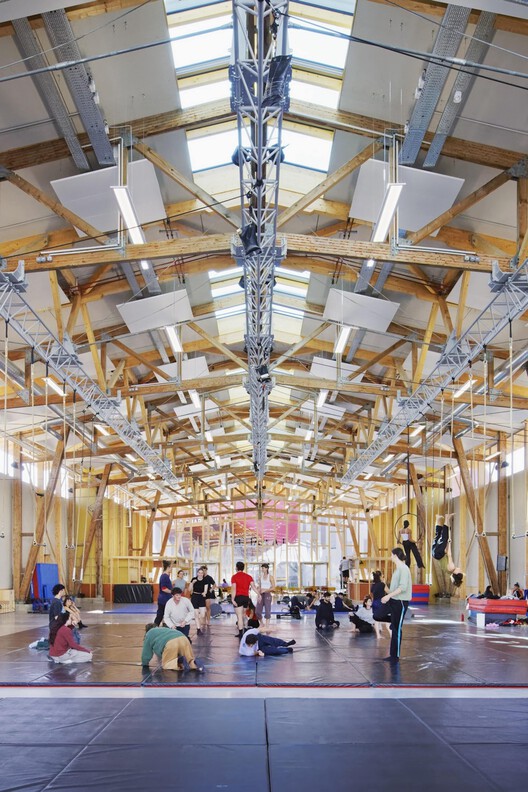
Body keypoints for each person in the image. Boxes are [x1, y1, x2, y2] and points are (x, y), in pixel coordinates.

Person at [373, 547, 412, 663]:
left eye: (391, 555)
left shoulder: (404, 569)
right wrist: (386, 589)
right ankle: (396, 620)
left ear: (395, 555)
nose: (390, 557)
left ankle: (395, 656)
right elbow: (394, 589)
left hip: (400, 602)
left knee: (396, 629)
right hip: (394, 600)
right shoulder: (397, 570)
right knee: (377, 615)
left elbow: (403, 588)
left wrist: (388, 596)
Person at [231, 561, 258, 639]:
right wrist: (258, 594)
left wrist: (232, 599)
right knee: (244, 615)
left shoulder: (234, 577)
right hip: (246, 598)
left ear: (236, 567)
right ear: (243, 568)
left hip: (238, 597)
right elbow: (253, 587)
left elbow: (234, 589)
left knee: (239, 617)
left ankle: (241, 634)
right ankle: (246, 630)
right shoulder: (248, 576)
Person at [189, 567, 209, 634]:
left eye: (202, 573)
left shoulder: (205, 580)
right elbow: (189, 589)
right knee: (196, 614)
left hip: (201, 597)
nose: (200, 574)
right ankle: (198, 629)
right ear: (197, 573)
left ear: (203, 574)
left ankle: (199, 625)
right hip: (194, 597)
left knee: (203, 614)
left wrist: (204, 593)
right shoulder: (194, 579)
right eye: (199, 573)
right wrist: (192, 583)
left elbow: (205, 590)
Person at [256, 563, 275, 630]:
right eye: (262, 568)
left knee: (267, 610)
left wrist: (265, 590)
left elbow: (273, 588)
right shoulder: (260, 577)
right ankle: (261, 623)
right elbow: (259, 587)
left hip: (267, 595)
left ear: (266, 568)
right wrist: (258, 594)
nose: (262, 569)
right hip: (261, 595)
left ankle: (267, 626)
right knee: (257, 611)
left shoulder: (270, 577)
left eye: (263, 568)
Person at [154, 560, 173, 626]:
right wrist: (172, 592)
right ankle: (154, 628)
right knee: (160, 614)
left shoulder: (166, 576)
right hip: (164, 599)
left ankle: (163, 626)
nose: (171, 569)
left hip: (165, 598)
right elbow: (164, 588)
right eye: (171, 567)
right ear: (168, 567)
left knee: (164, 614)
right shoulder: (164, 576)